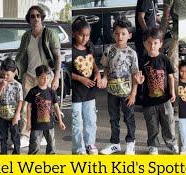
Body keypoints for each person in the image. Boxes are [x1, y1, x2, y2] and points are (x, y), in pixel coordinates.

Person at [16, 5, 62, 148]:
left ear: (42, 18)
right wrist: (17, 70)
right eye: (32, 16)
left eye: (37, 15)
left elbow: (58, 57)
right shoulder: (26, 36)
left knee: (44, 108)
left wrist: (56, 78)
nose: (35, 18)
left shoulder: (49, 33)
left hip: (45, 77)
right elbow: (21, 57)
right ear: (28, 19)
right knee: (25, 106)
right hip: (29, 76)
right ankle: (25, 135)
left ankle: (43, 135)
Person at [135, 27, 178, 155]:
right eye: (149, 42)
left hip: (164, 100)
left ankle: (171, 143)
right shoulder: (142, 60)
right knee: (152, 125)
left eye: (155, 43)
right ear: (144, 43)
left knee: (169, 123)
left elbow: (170, 76)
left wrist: (172, 92)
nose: (152, 46)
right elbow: (139, 77)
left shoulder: (164, 59)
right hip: (149, 101)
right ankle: (153, 145)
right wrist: (140, 81)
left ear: (160, 43)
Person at [100, 17, 139, 155]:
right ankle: (115, 143)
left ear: (129, 35)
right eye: (116, 33)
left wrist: (133, 93)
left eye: (123, 33)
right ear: (113, 34)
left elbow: (135, 75)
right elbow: (104, 66)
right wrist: (104, 77)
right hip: (112, 92)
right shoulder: (109, 49)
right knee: (113, 118)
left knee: (129, 118)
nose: (120, 36)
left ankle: (130, 143)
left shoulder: (132, 54)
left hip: (127, 93)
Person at [71, 16, 102, 155]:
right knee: (77, 122)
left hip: (90, 92)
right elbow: (66, 72)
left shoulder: (89, 47)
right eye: (81, 35)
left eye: (87, 35)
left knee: (91, 120)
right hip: (77, 92)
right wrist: (80, 78)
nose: (84, 38)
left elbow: (93, 63)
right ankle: (79, 148)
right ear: (74, 33)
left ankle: (90, 144)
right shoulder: (71, 50)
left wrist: (98, 74)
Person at [25, 65, 66, 154]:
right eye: (43, 78)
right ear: (37, 78)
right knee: (34, 145)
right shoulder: (33, 91)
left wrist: (60, 121)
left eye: (47, 78)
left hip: (49, 124)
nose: (45, 80)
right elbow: (28, 107)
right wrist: (28, 123)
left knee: (51, 144)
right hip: (36, 125)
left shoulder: (51, 92)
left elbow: (56, 106)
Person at [0, 58, 23, 154]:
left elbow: (20, 101)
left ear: (14, 73)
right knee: (3, 137)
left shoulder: (17, 85)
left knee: (15, 136)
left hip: (13, 116)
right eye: (3, 74)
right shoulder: (0, 82)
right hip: (2, 116)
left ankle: (16, 153)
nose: (5, 77)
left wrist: (17, 115)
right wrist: (1, 86)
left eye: (8, 74)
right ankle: (3, 154)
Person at [135, 0, 160, 67]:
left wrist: (166, 24)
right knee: (144, 61)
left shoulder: (155, 1)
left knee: (152, 59)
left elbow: (155, 17)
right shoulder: (145, 1)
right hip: (144, 37)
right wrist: (147, 33)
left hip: (152, 37)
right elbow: (140, 17)